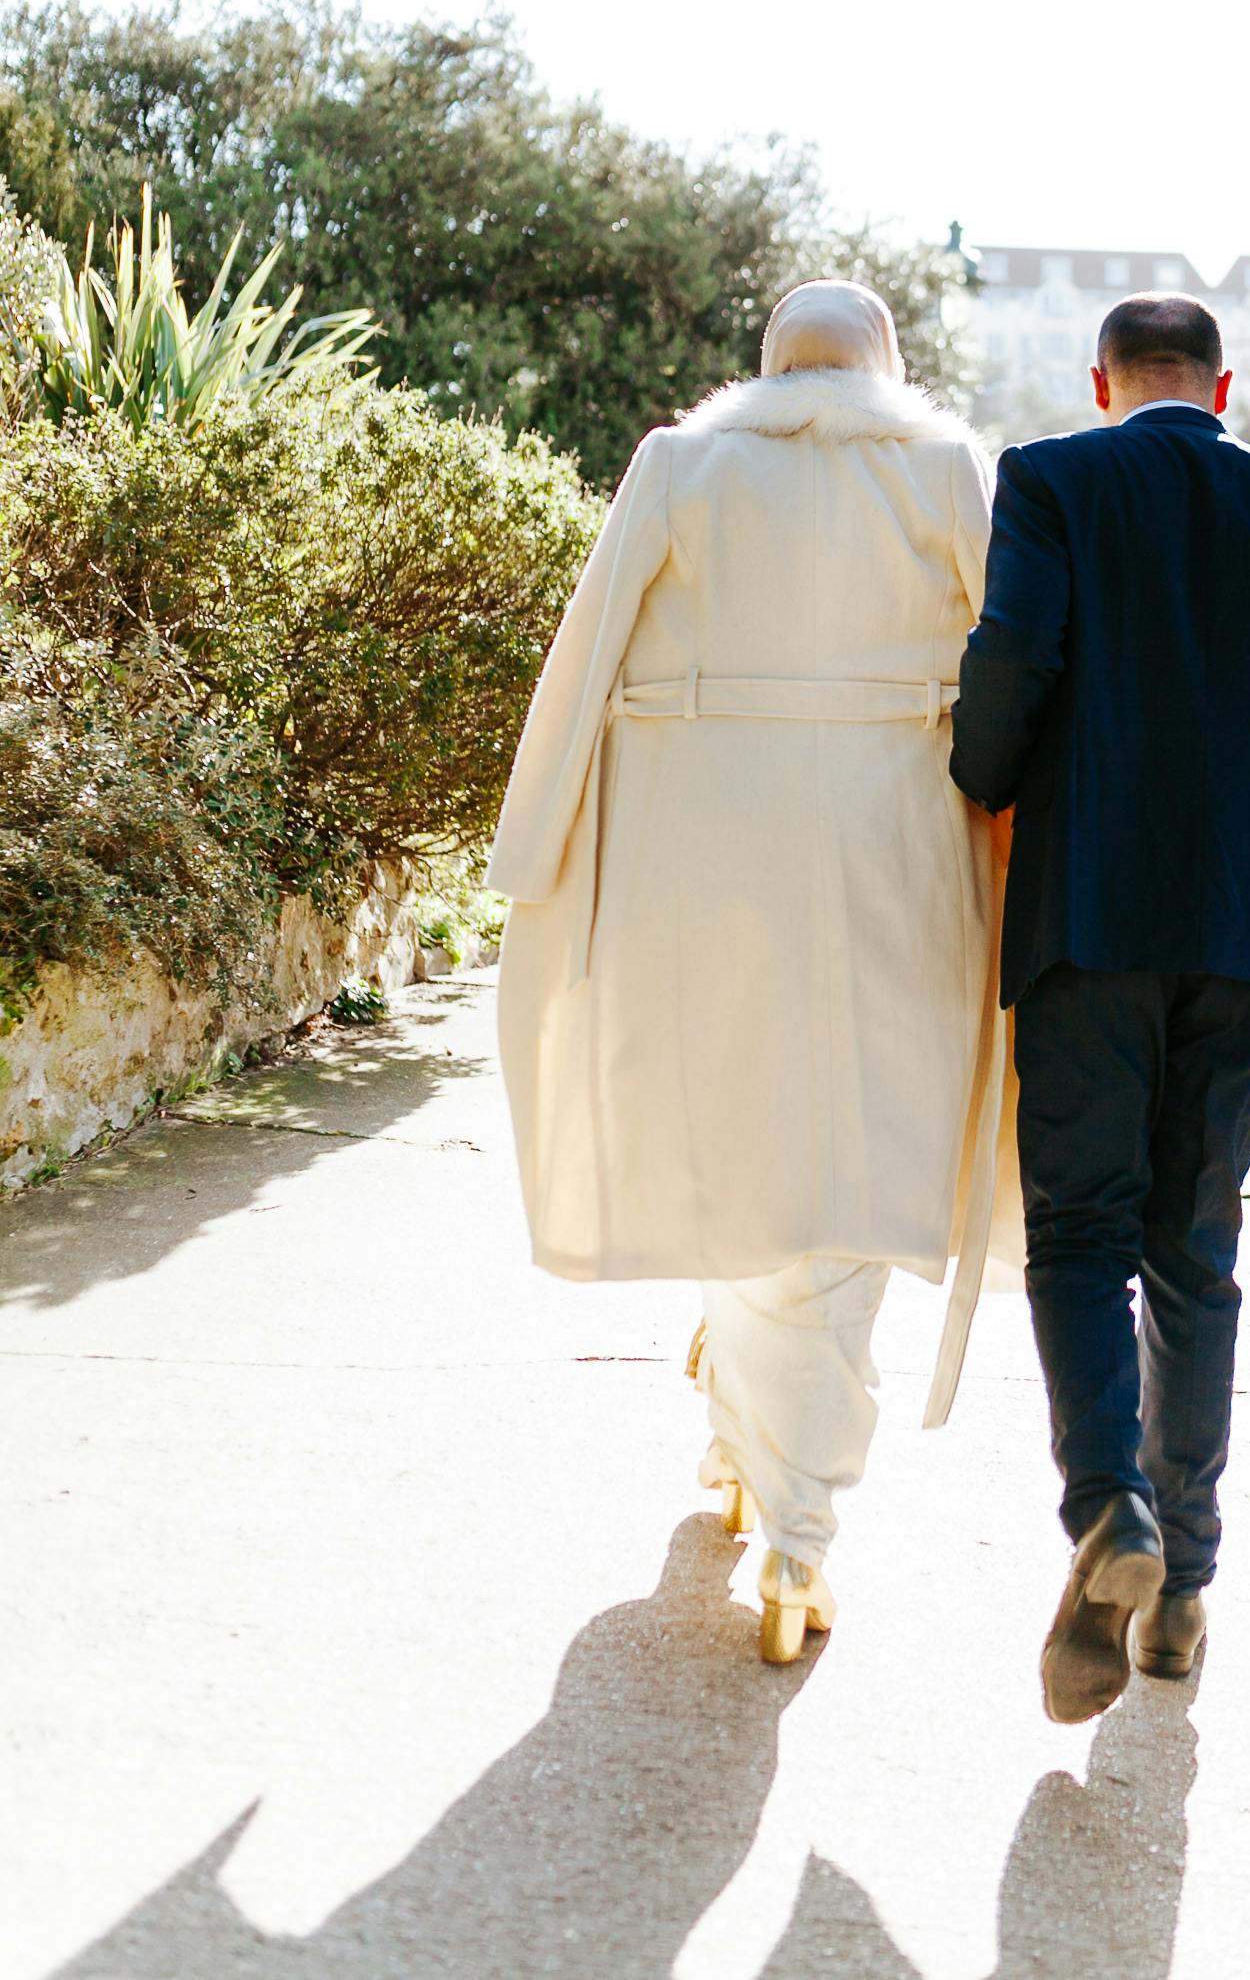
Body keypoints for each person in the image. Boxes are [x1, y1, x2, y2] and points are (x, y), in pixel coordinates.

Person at [486, 281, 1005, 1665]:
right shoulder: (948, 466)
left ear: (769, 361)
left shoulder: (680, 461)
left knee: (732, 1142)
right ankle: (797, 1534)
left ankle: (761, 1475)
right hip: (900, 842)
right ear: (886, 363)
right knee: (864, 1155)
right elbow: (1014, 666)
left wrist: (531, 845)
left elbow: (585, 648)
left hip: (699, 846)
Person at [949, 291, 1250, 1723]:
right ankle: (1182, 1596)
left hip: (1087, 908)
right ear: (1219, 384)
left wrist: (984, 775)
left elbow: (1011, 664)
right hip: (1248, 924)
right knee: (1194, 1247)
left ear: (1102, 382)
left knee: (1077, 1229)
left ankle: (1109, 1508)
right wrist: (1245, 770)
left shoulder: (1054, 478)